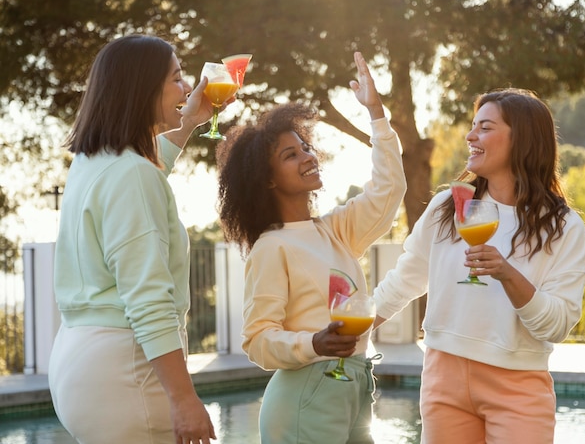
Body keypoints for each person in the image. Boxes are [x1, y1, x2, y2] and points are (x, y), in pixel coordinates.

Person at [372, 88, 585, 443]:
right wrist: (352, 331)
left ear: (523, 140)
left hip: (519, 387)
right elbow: (403, 281)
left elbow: (557, 325)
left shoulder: (564, 227)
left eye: (485, 128)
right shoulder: (447, 207)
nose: (471, 136)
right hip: (444, 377)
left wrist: (506, 273)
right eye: (473, 126)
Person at [216, 51, 406, 443]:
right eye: (291, 154)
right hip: (305, 398)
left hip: (354, 389)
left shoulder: (335, 230)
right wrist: (313, 343)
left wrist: (376, 114)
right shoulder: (272, 247)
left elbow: (390, 190)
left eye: (304, 146)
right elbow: (257, 340)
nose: (307, 155)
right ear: (266, 180)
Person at [48, 34, 221, 444]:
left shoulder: (94, 161)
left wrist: (190, 121)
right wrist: (184, 399)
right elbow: (147, 298)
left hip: (81, 362)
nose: (186, 89)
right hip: (127, 373)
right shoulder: (132, 175)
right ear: (143, 87)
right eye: (178, 79)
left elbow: (144, 172)